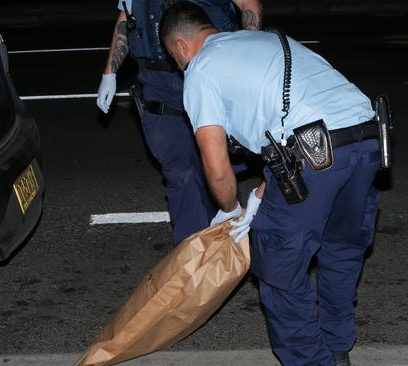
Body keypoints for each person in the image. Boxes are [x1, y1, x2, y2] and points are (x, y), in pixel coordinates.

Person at [160, 2, 385, 365]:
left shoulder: (200, 70)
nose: (178, 66)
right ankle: (337, 346)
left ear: (182, 47)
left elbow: (217, 169)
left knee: (280, 270)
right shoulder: (267, 41)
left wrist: (230, 211)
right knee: (341, 250)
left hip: (315, 155)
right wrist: (261, 196)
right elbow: (292, 117)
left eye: (175, 58)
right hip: (367, 140)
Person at [95, 0, 263, 245]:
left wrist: (247, 54)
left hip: (211, 68)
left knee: (218, 168)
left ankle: (227, 248)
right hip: (159, 83)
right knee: (180, 175)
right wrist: (109, 73)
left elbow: (250, 5)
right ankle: (192, 258)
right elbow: (126, 19)